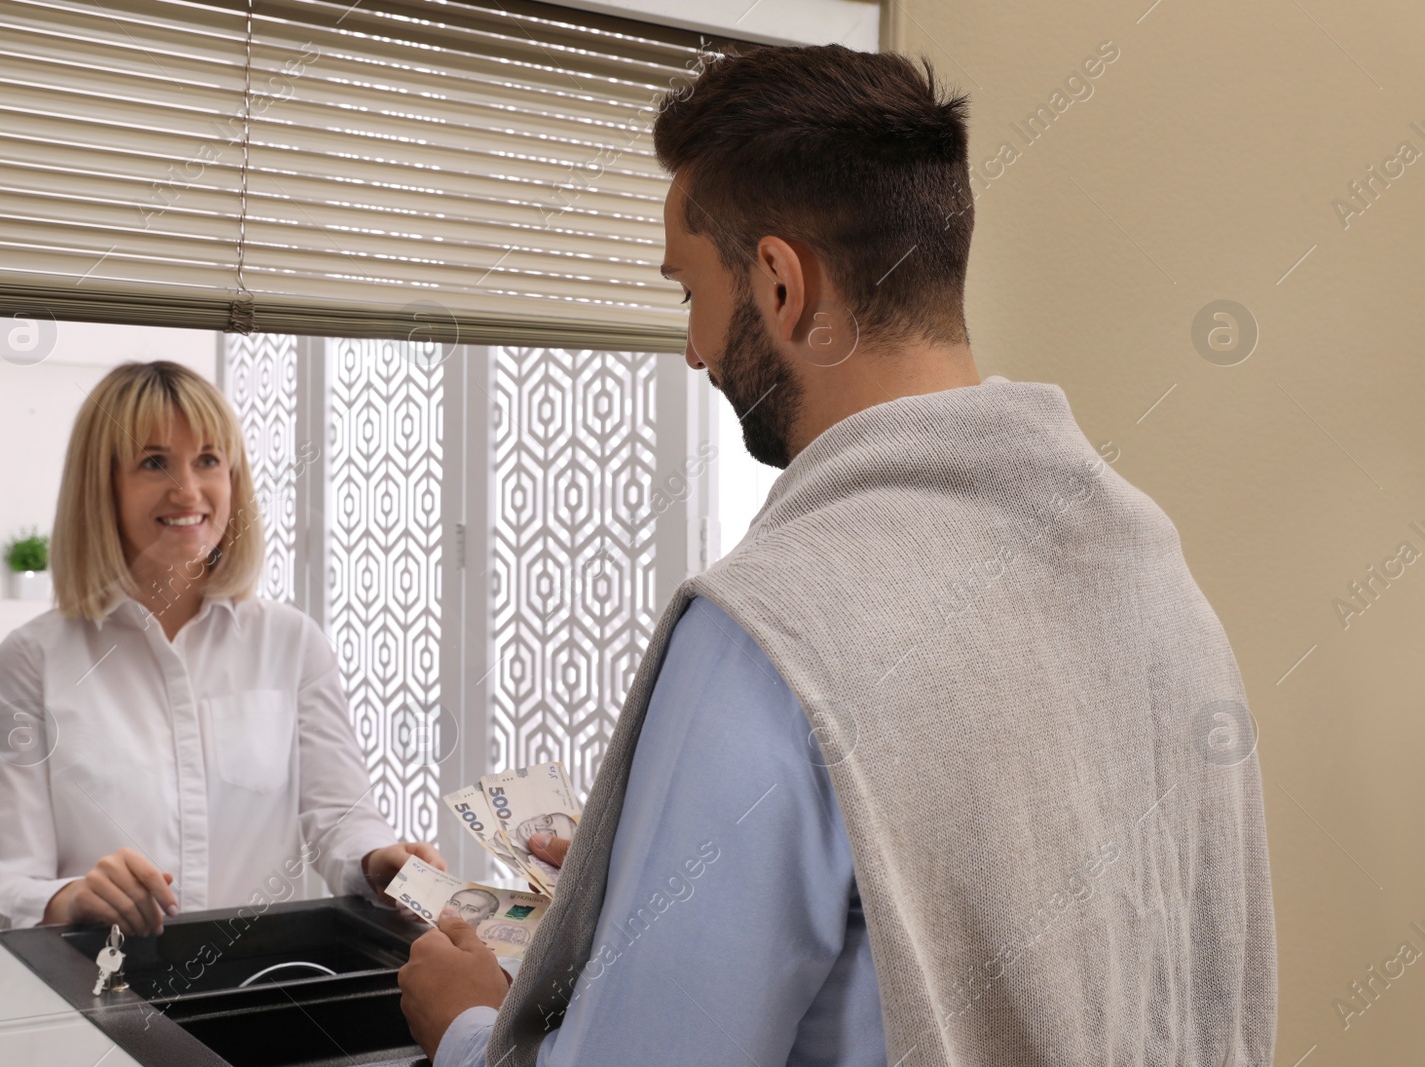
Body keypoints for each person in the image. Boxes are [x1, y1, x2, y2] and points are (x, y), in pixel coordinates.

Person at [397, 44, 1276, 1066]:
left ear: (779, 283)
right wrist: (654, 857)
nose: (691, 348)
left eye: (690, 293)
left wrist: (464, 1026)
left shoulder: (770, 637)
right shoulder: (1152, 574)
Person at [0, 360, 443, 935]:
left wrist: (377, 862)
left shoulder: (291, 642)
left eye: (209, 461)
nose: (187, 490)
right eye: (154, 462)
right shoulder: (31, 660)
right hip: (93, 988)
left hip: (252, 983)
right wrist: (72, 898)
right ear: (102, 486)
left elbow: (340, 817)